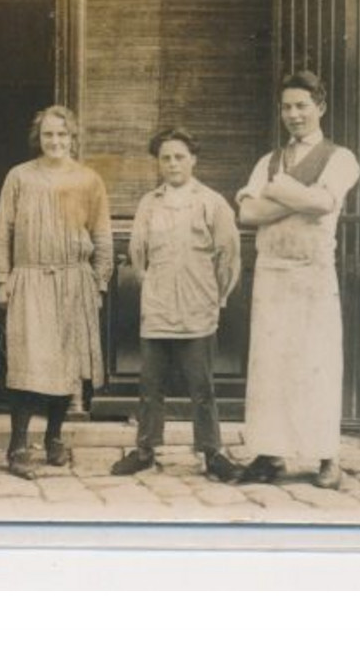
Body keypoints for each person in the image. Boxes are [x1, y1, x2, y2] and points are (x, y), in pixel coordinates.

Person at [235, 71, 360, 490]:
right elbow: (247, 215)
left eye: (302, 106)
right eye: (287, 106)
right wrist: (295, 199)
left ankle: (327, 456)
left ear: (320, 107)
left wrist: (279, 191)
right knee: (270, 366)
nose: (294, 114)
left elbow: (324, 203)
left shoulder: (339, 158)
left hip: (312, 274)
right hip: (272, 273)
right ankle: (270, 454)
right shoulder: (267, 161)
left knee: (317, 364)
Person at [110, 129, 244, 482]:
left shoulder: (212, 203)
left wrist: (216, 297)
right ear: (158, 162)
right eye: (166, 157)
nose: (172, 163)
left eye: (179, 156)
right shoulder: (148, 204)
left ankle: (212, 453)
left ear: (193, 159)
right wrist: (154, 287)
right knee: (150, 385)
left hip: (198, 310)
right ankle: (144, 450)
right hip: (157, 310)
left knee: (202, 387)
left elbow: (228, 258)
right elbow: (138, 255)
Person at [0, 105, 114, 480]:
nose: (55, 141)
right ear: (38, 138)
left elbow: (102, 234)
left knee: (66, 363)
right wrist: (2, 278)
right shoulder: (20, 177)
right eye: (48, 134)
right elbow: (3, 231)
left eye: (62, 134)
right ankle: (17, 445)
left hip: (74, 280)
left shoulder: (89, 180)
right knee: (28, 364)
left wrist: (99, 281)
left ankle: (55, 438)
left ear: (73, 138)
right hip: (30, 278)